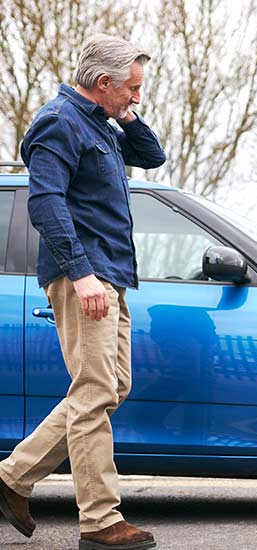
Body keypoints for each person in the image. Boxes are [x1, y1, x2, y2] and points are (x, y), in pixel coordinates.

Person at [0, 34, 165, 550]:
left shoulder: (103, 125)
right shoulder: (58, 122)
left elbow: (153, 155)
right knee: (94, 393)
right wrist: (81, 273)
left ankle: (12, 476)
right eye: (131, 89)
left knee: (111, 387)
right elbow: (45, 203)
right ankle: (100, 520)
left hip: (110, 275)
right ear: (101, 82)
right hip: (85, 277)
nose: (136, 96)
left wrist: (127, 115)